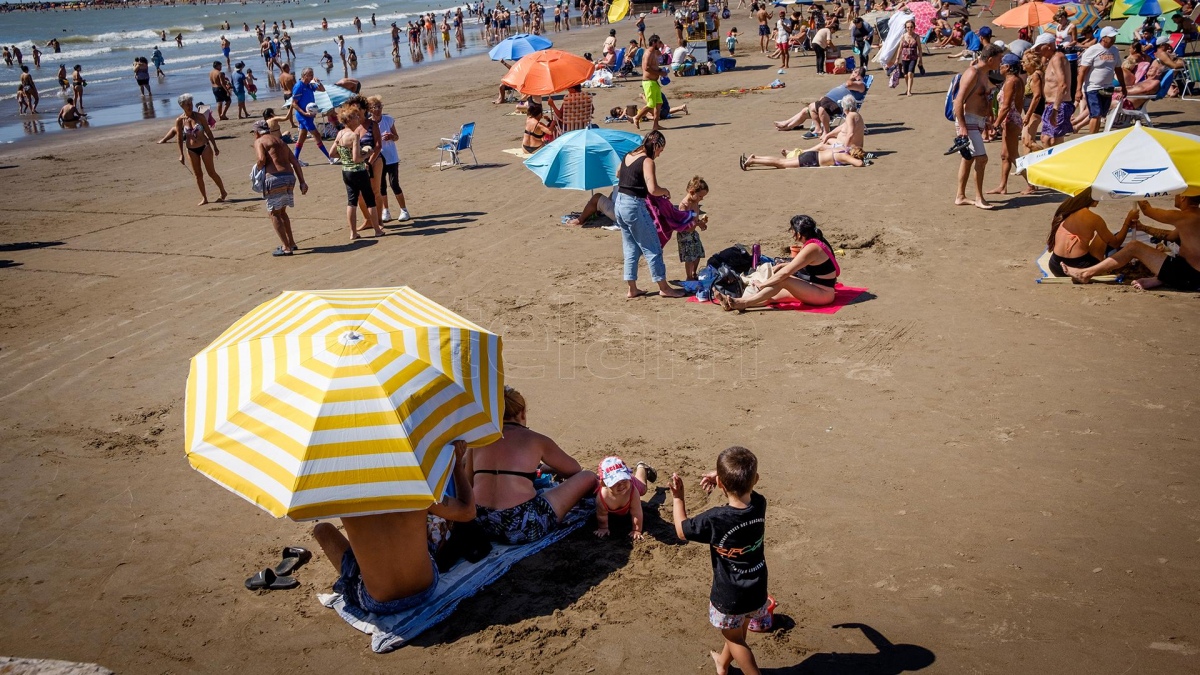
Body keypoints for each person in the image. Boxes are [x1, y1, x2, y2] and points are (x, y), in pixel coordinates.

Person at [312, 441, 475, 615]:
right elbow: (468, 512)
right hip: (427, 588)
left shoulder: (342, 493)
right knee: (427, 522)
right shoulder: (416, 485)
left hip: (378, 602)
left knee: (321, 530)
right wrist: (457, 465)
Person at [670, 446, 769, 675]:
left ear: (721, 486)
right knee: (737, 629)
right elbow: (747, 490)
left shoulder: (716, 518)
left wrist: (678, 498)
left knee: (735, 640)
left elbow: (682, 531)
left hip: (730, 593)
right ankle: (723, 666)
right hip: (756, 586)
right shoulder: (759, 504)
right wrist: (723, 477)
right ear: (756, 480)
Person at [468, 387, 598, 545]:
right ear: (522, 413)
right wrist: (548, 468)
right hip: (522, 525)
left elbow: (469, 482)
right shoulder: (535, 440)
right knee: (588, 477)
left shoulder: (478, 440)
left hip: (481, 522)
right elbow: (574, 470)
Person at [1064, 196, 1200, 291]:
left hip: (1189, 276)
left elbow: (1148, 211)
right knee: (1161, 253)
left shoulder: (1184, 217)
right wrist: (1143, 228)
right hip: (1190, 272)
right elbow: (1170, 236)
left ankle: (1085, 274)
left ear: (1183, 197)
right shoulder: (1192, 218)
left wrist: (1138, 190)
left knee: (1134, 246)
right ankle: (1160, 278)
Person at [713, 215, 841, 311]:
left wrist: (763, 284)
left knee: (783, 280)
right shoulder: (816, 241)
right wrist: (782, 265)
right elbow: (803, 265)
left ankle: (743, 303)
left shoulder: (812, 248)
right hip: (815, 287)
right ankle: (734, 303)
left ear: (799, 233)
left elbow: (785, 274)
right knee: (771, 295)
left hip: (823, 293)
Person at [615, 131, 687, 299]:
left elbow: (618, 173)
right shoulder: (647, 161)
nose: (660, 154)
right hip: (633, 206)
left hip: (619, 203)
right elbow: (653, 189)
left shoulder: (629, 154)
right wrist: (666, 191)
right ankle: (664, 287)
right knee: (652, 246)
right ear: (655, 146)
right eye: (660, 150)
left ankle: (632, 288)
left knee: (630, 247)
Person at [952, 44, 1005, 210]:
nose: (1001, 63)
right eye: (999, 59)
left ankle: (960, 196)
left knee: (968, 159)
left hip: (978, 121)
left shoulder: (984, 72)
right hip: (968, 121)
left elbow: (983, 98)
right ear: (990, 60)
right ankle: (979, 198)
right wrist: (962, 127)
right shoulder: (972, 73)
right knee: (982, 158)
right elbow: (958, 101)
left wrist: (988, 119)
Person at [1045, 188, 1135, 276]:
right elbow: (1116, 243)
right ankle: (1101, 265)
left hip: (1056, 267)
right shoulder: (1094, 219)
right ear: (1089, 196)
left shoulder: (1063, 212)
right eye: (1098, 195)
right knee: (1102, 237)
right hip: (1081, 267)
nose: (1100, 198)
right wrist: (1127, 222)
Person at [253, 120, 308, 256]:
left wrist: (257, 170)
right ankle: (291, 243)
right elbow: (294, 161)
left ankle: (286, 247)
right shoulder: (280, 141)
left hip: (274, 178)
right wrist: (302, 182)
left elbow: (261, 160)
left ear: (256, 132)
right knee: (282, 212)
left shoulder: (259, 141)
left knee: (274, 213)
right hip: (289, 177)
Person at [334, 104, 384, 240]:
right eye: (356, 116)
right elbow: (357, 159)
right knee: (370, 200)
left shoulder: (340, 133)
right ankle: (377, 230)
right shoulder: (354, 135)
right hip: (358, 171)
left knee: (352, 202)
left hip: (346, 171)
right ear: (350, 120)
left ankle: (353, 232)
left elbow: (332, 153)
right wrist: (367, 154)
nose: (358, 118)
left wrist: (346, 155)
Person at [988, 54, 1032, 196]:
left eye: (1002, 65)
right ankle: (1002, 186)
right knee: (1005, 155)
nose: (999, 67)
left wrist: (995, 125)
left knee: (1013, 155)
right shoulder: (1017, 80)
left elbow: (1006, 106)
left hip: (1010, 120)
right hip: (1013, 119)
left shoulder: (1010, 82)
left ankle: (1031, 184)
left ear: (1007, 67)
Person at [774, 69, 867, 136]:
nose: (852, 73)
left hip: (836, 105)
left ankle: (823, 131)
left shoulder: (860, 84)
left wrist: (853, 78)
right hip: (827, 101)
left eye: (854, 72)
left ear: (859, 75)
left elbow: (848, 84)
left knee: (820, 109)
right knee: (806, 110)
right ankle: (787, 125)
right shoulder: (855, 83)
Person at [174, 93, 228, 207]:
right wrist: (181, 154)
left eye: (190, 103)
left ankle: (223, 191)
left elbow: (208, 131)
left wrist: (215, 146)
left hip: (205, 147)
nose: (190, 106)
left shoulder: (199, 116)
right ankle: (204, 197)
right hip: (191, 149)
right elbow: (179, 138)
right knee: (198, 175)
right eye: (187, 104)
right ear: (181, 106)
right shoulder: (179, 120)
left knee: (211, 172)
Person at [1075, 26, 1127, 135]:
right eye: (1111, 37)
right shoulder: (1092, 50)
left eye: (1114, 37)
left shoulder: (1115, 51)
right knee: (1096, 114)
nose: (1113, 39)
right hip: (1092, 87)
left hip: (1107, 87)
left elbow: (1118, 70)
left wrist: (1123, 86)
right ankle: (1092, 138)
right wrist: (1078, 89)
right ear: (1103, 38)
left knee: (1101, 114)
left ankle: (1096, 134)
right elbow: (1082, 71)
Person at [594, 456, 657, 540]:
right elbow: (601, 515)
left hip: (633, 485)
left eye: (623, 480)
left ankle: (642, 467)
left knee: (643, 489)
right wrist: (603, 528)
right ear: (604, 483)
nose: (621, 485)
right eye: (615, 482)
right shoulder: (602, 497)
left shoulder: (632, 491)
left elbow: (636, 513)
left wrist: (637, 530)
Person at [372, 97, 410, 223]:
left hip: (391, 157)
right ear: (370, 109)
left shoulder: (388, 119)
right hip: (378, 158)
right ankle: (386, 210)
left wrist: (391, 136)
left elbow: (397, 137)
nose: (378, 110)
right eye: (376, 107)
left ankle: (404, 210)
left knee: (394, 184)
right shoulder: (368, 123)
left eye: (380, 107)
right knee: (381, 186)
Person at [1035, 33, 1071, 148]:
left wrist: (1055, 108)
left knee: (1050, 140)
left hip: (1058, 105)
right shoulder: (1052, 58)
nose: (1037, 50)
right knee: (1048, 139)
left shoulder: (1057, 58)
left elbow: (1062, 84)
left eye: (1040, 47)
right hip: (1052, 104)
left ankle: (1056, 164)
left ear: (1049, 45)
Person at [290, 67, 332, 164]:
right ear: (304, 76)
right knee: (317, 135)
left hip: (309, 115)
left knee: (302, 137)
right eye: (310, 74)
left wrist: (318, 82)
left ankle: (295, 160)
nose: (312, 76)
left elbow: (322, 89)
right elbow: (294, 103)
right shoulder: (299, 86)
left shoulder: (309, 85)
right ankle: (330, 157)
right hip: (304, 116)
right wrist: (304, 113)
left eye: (312, 74)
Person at [676, 176, 710, 281]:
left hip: (693, 232)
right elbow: (685, 223)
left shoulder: (695, 202)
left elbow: (695, 217)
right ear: (691, 192)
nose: (701, 199)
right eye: (700, 196)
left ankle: (694, 272)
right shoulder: (684, 205)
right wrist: (697, 223)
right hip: (685, 235)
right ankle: (689, 276)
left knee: (698, 253)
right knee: (689, 257)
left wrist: (701, 222)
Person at [740, 142, 869, 169]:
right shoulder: (844, 156)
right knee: (781, 164)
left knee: (780, 162)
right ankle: (752, 161)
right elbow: (859, 164)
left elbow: (824, 145)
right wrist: (856, 161)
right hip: (811, 160)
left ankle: (756, 158)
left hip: (812, 154)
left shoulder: (842, 149)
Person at [637, 35, 667, 131]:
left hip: (654, 82)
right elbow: (646, 67)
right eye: (658, 42)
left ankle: (656, 125)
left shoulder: (654, 53)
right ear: (654, 43)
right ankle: (637, 117)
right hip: (648, 82)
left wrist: (661, 71)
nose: (659, 44)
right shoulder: (648, 53)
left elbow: (653, 66)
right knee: (651, 104)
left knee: (659, 103)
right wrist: (659, 72)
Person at [1021, 49, 1045, 153]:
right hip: (1030, 111)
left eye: (1024, 62)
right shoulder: (1032, 74)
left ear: (1031, 63)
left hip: (1034, 111)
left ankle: (1047, 154)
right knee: (1025, 139)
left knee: (1028, 141)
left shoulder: (1036, 75)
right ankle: (1025, 167)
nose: (1022, 64)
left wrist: (1028, 115)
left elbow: (1037, 96)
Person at [893, 19, 921, 97]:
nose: (909, 28)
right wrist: (897, 59)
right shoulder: (903, 36)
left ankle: (909, 91)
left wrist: (920, 60)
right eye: (908, 27)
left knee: (910, 74)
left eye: (911, 27)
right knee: (905, 75)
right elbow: (900, 48)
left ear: (914, 27)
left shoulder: (916, 37)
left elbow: (920, 48)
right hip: (904, 58)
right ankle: (907, 88)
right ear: (905, 28)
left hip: (913, 57)